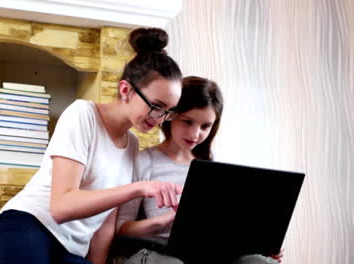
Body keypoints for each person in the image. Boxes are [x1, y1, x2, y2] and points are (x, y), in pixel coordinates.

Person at [0, 27, 184, 264]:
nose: (160, 118)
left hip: (72, 250)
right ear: (125, 90)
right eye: (156, 106)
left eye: (169, 112)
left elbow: (105, 223)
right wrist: (139, 188)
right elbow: (61, 207)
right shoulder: (83, 114)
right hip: (31, 224)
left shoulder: (131, 144)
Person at [115, 76, 283, 264]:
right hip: (156, 253)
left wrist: (259, 245)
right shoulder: (144, 160)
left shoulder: (213, 168)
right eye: (187, 122)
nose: (195, 134)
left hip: (204, 253)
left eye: (205, 126)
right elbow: (121, 229)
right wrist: (166, 221)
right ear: (171, 115)